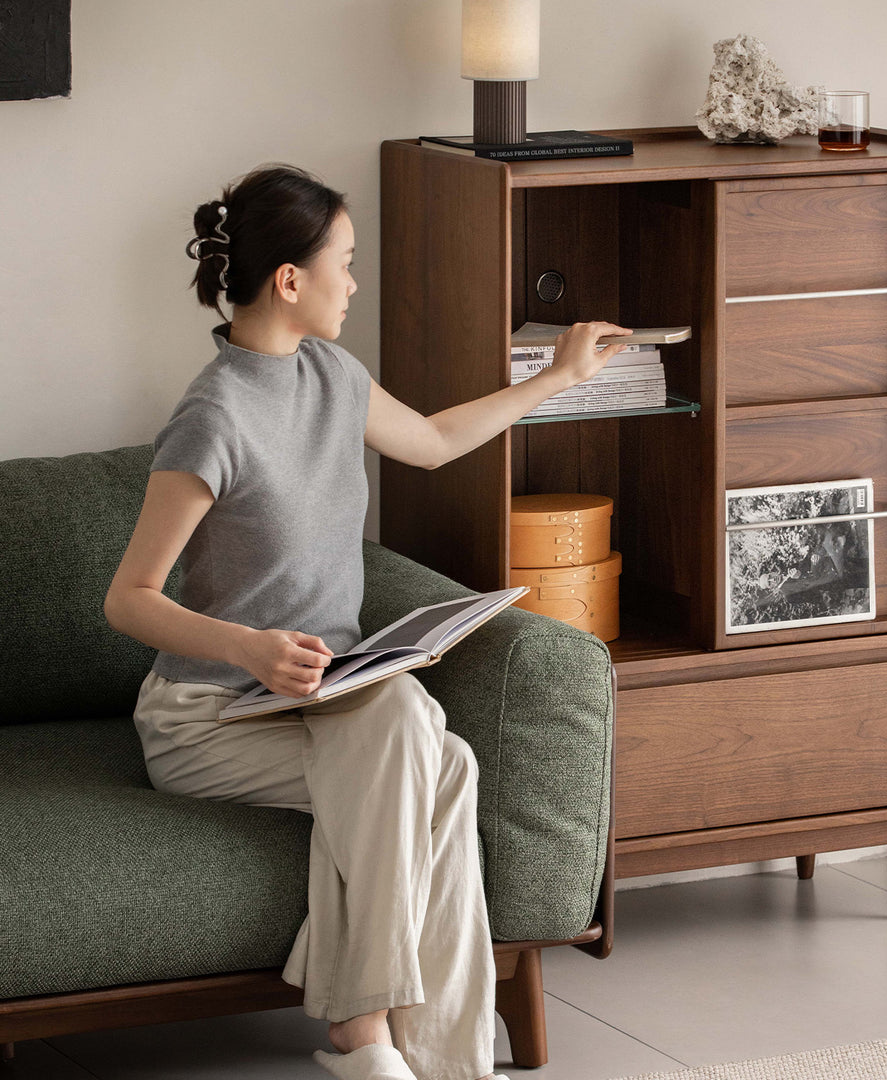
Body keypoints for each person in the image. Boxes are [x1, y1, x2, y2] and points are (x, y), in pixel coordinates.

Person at [103, 163, 631, 1080]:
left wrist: (558, 378)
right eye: (344, 263)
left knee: (436, 752)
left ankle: (401, 1052)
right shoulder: (213, 417)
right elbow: (129, 598)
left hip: (324, 703)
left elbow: (433, 441)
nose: (354, 282)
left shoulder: (334, 376)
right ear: (290, 279)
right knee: (425, 744)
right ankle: (372, 1032)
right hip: (209, 719)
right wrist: (251, 649)